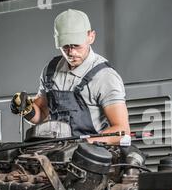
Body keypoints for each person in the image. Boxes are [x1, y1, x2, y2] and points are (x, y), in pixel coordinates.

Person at [10, 9, 130, 145]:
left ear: (91, 36)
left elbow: (122, 131)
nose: (71, 52)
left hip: (90, 155)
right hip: (57, 151)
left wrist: (84, 144)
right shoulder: (50, 71)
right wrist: (26, 109)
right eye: (65, 47)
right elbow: (42, 114)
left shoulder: (105, 77)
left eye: (76, 46)